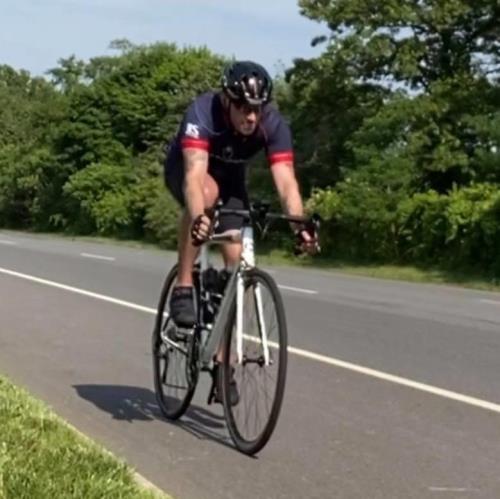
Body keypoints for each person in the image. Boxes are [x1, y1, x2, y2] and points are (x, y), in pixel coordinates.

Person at [163, 60, 319, 329]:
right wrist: (199, 218)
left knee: (237, 263)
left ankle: (222, 347)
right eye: (244, 108)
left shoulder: (273, 124)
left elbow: (286, 182)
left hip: (231, 178)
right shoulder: (203, 113)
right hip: (188, 171)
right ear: (227, 100)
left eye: (257, 109)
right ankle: (184, 286)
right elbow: (194, 178)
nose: (252, 117)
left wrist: (299, 225)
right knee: (207, 193)